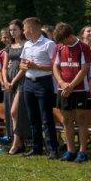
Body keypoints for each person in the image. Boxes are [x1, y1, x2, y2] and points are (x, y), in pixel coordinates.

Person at [52, 22, 91, 163]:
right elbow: (55, 67)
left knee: (81, 120)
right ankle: (70, 150)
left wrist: (71, 86)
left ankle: (82, 151)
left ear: (69, 36)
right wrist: (62, 84)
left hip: (79, 89)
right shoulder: (59, 47)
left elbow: (84, 69)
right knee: (66, 120)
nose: (63, 43)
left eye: (64, 39)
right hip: (63, 89)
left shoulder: (83, 47)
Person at [19, 17, 60, 159]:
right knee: (33, 117)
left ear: (31, 29)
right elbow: (22, 64)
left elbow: (54, 66)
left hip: (43, 82)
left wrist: (36, 66)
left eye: (24, 29)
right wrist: (23, 66)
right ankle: (36, 147)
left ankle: (52, 149)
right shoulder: (27, 45)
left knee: (46, 117)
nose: (23, 32)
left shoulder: (49, 44)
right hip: (29, 82)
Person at [0, 19, 30, 154]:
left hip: (22, 79)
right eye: (10, 30)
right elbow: (4, 67)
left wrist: (13, 81)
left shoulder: (27, 45)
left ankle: (17, 142)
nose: (12, 33)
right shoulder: (9, 47)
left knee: (15, 111)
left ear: (21, 30)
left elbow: (24, 66)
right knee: (11, 113)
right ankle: (18, 141)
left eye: (15, 30)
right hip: (9, 80)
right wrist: (6, 81)